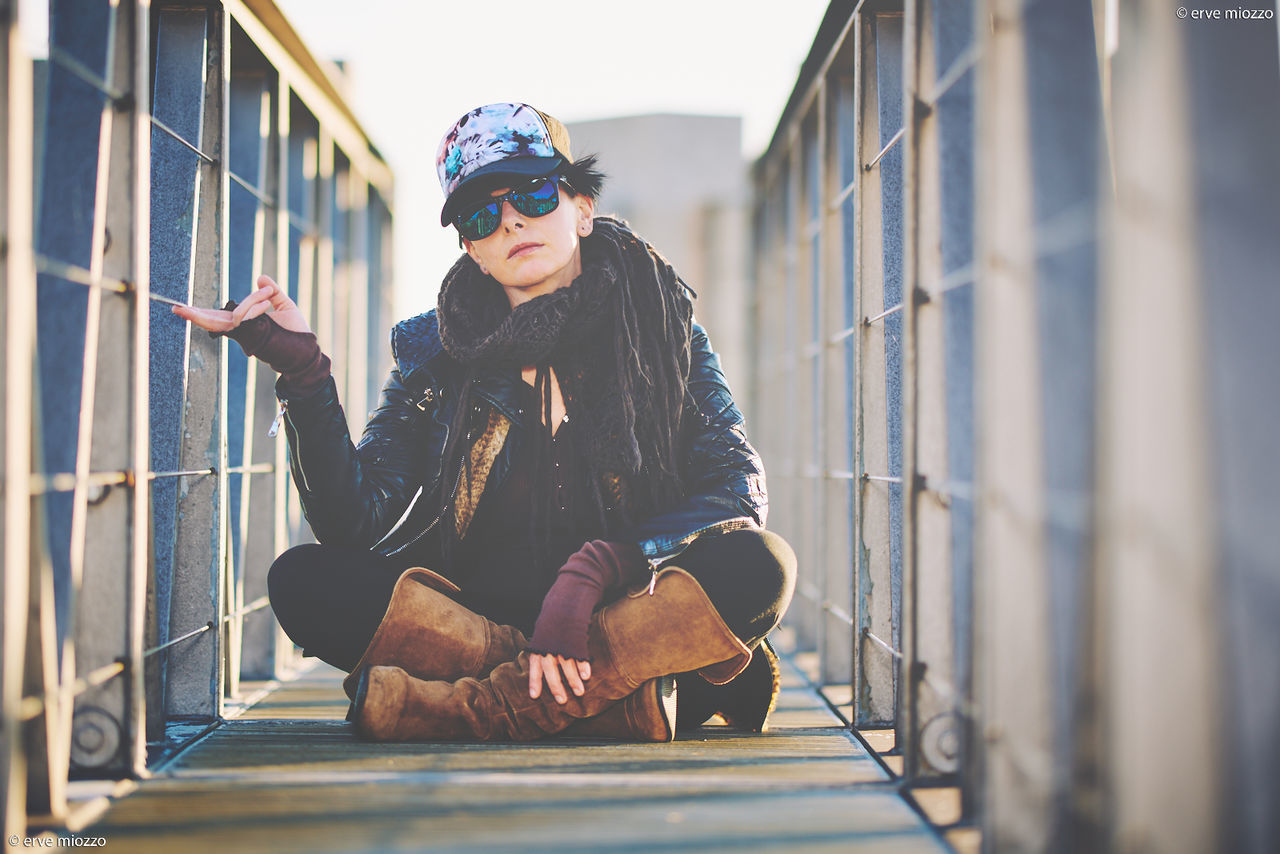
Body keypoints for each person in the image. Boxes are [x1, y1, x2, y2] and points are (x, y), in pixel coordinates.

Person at [173, 102, 796, 741]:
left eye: (533, 192)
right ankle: (617, 698)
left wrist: (595, 572)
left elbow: (735, 488)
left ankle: (473, 707)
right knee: (304, 580)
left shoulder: (664, 332)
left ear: (582, 207)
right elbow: (356, 524)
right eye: (481, 214)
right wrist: (303, 372)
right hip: (473, 625)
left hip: (626, 606)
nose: (512, 220)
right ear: (471, 249)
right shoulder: (434, 356)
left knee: (761, 562)